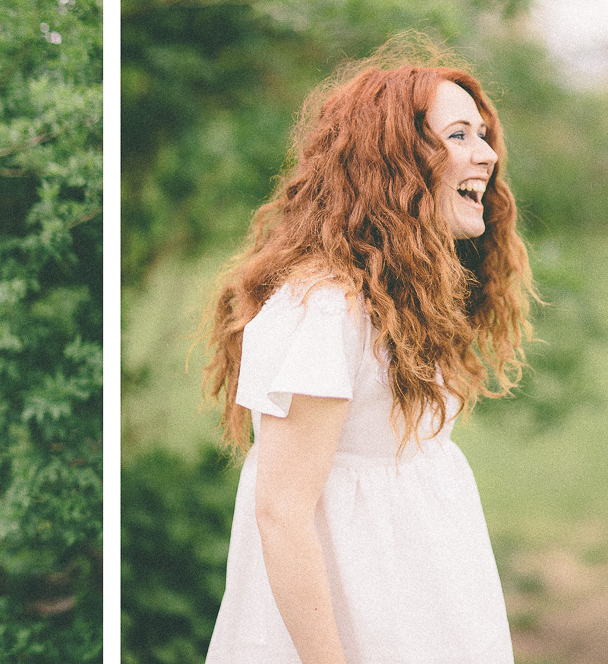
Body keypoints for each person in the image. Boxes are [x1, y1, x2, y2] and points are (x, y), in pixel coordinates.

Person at [203, 42, 535, 664]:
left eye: (483, 134)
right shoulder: (328, 310)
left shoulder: (401, 295)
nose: (487, 155)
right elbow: (280, 513)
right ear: (395, 161)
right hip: (357, 613)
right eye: (459, 134)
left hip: (423, 593)